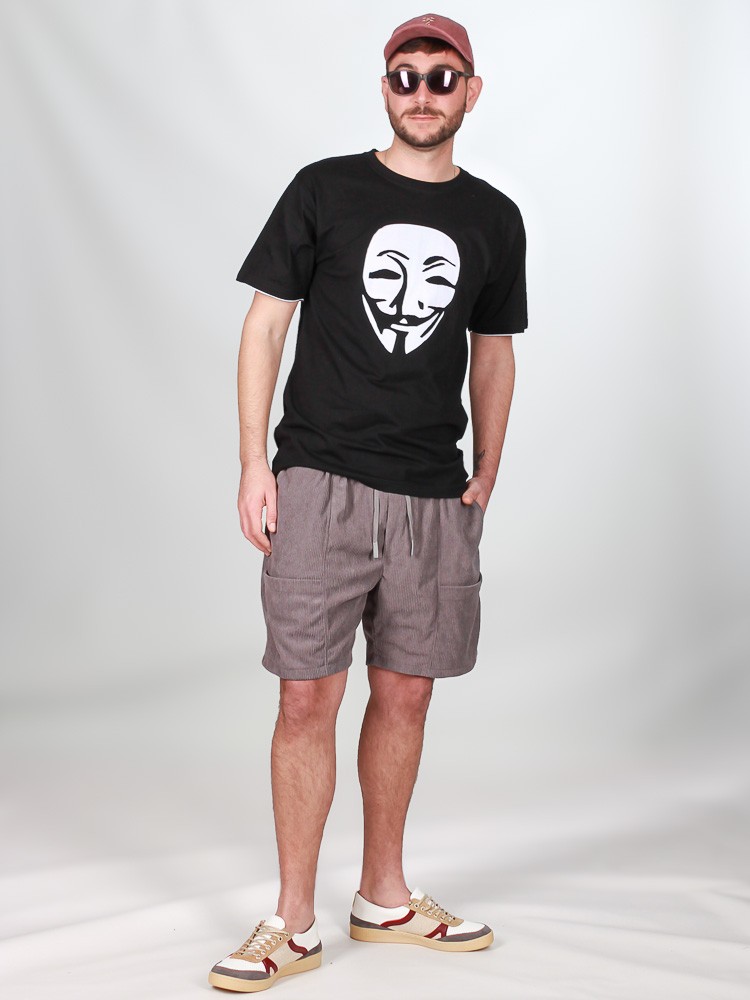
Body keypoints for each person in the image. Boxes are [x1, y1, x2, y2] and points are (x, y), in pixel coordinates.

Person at [209, 12, 528, 993]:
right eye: (405, 75)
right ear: (384, 88)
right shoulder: (324, 189)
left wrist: (488, 466)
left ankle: (383, 897)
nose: (422, 92)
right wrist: (254, 463)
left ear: (471, 91)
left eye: (442, 76)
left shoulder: (495, 218)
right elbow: (266, 326)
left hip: (432, 494)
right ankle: (292, 921)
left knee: (407, 692)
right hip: (321, 477)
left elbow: (493, 350)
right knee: (307, 693)